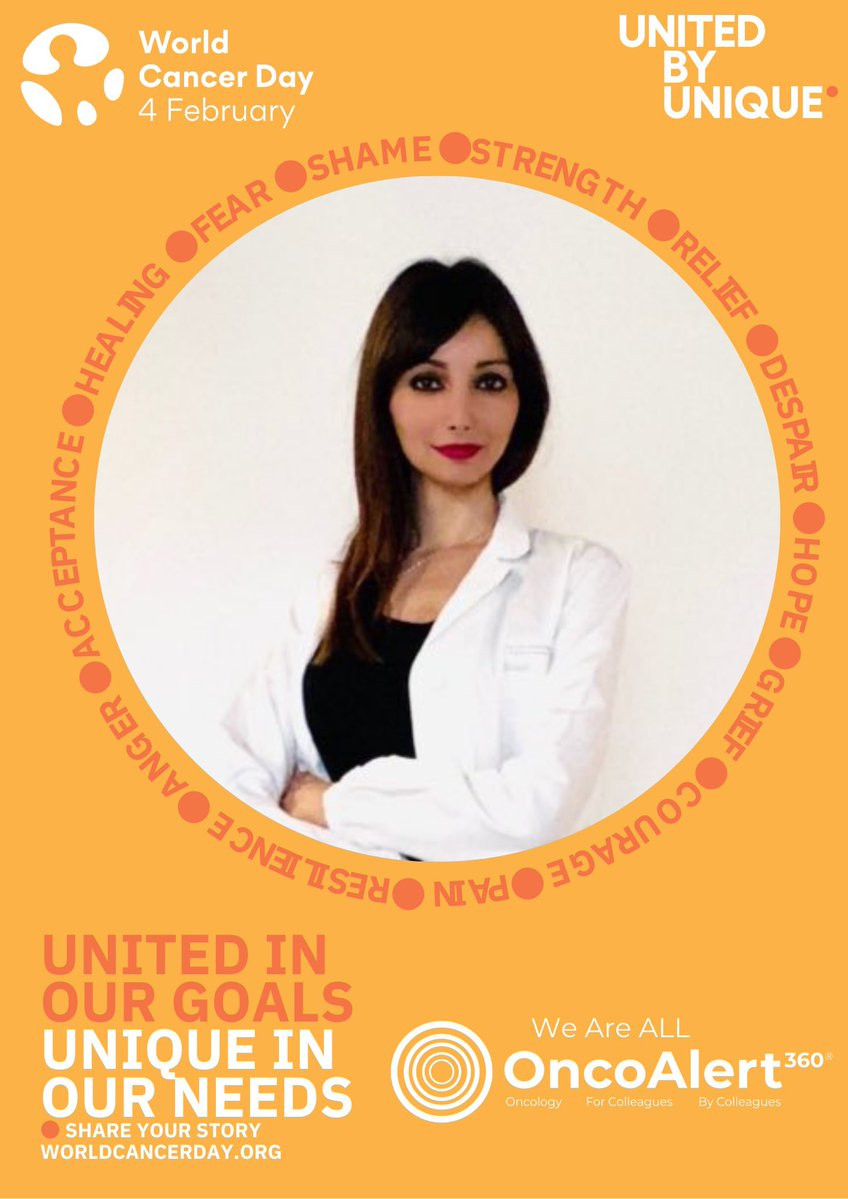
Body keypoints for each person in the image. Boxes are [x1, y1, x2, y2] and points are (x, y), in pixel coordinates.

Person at [222, 258, 628, 861]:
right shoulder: (332, 592)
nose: (461, 415)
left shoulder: (578, 579)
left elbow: (536, 811)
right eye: (428, 382)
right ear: (384, 400)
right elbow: (236, 782)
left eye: (490, 382)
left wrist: (333, 806)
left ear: (524, 399)